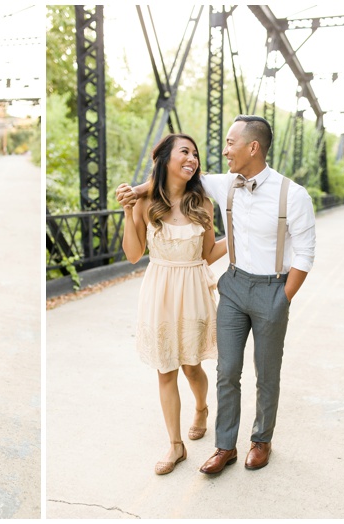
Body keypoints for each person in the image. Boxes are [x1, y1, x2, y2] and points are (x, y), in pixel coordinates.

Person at [117, 115, 316, 474]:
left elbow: (303, 252)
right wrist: (135, 197)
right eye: (186, 152)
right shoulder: (216, 187)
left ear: (251, 147)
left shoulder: (287, 195)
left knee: (255, 372)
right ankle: (213, 447)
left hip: (255, 288)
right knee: (222, 370)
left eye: (229, 143)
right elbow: (170, 184)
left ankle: (258, 438)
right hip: (209, 288)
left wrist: (283, 296)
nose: (220, 151)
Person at [120, 133, 227, 475]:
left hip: (194, 289)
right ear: (165, 159)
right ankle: (175, 445)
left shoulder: (203, 205)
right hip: (159, 290)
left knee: (192, 366)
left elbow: (209, 254)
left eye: (195, 154)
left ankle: (201, 407)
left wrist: (236, 237)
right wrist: (127, 212)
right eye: (185, 152)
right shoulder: (144, 204)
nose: (192, 158)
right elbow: (134, 254)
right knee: (165, 369)